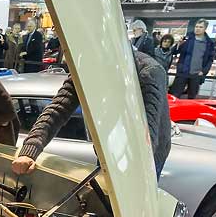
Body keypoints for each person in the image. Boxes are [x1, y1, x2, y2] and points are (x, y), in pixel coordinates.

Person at [11, 50, 171, 180]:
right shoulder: (87, 66)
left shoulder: (149, 72)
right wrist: (29, 150)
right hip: (108, 149)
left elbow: (146, 143)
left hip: (146, 158)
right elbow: (58, 108)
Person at [170, 18, 215, 99]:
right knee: (175, 95)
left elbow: (210, 59)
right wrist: (178, 44)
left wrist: (204, 71)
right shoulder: (187, 38)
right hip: (183, 72)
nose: (197, 28)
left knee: (192, 97)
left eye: (200, 27)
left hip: (196, 75)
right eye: (196, 26)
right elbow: (174, 52)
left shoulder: (209, 43)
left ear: (205, 28)